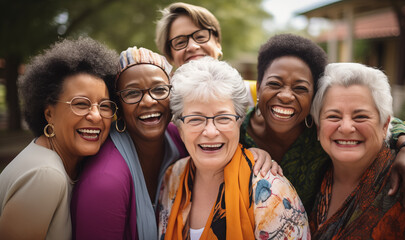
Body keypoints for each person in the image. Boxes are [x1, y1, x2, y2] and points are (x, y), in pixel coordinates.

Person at [71, 47, 278, 240]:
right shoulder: (106, 181)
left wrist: (254, 154)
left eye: (159, 89)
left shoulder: (177, 136)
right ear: (118, 104)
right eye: (132, 93)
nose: (149, 101)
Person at [239, 33, 405, 213]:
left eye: (300, 88)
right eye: (274, 84)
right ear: (259, 84)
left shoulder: (321, 128)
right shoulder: (234, 129)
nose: (286, 96)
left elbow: (382, 123)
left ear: (313, 96)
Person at [158, 57, 310, 240]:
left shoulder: (272, 192)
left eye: (223, 118)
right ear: (180, 128)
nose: (211, 131)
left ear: (239, 122)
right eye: (196, 119)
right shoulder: (173, 176)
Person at [0, 37, 118, 239]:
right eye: (81, 104)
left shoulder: (59, 162)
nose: (96, 116)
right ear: (49, 114)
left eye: (105, 106)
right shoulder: (46, 175)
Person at [309, 62, 405, 239]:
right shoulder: (312, 169)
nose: (347, 127)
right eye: (334, 116)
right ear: (318, 128)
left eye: (361, 116)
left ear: (385, 125)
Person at [155, 2, 257, 106]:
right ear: (170, 56)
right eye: (180, 42)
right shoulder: (162, 107)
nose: (192, 46)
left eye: (200, 37)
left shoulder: (258, 95)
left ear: (217, 43)